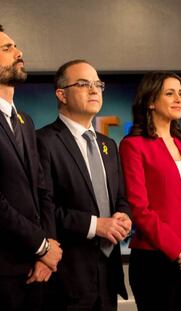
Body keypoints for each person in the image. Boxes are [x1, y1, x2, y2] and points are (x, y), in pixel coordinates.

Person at [36, 59, 132, 310]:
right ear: (61, 94)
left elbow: (121, 197)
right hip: (68, 278)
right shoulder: (44, 141)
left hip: (108, 276)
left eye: (98, 84)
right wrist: (94, 225)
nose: (94, 90)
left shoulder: (108, 145)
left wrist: (124, 215)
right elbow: (43, 210)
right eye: (83, 84)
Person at [119, 71, 181, 311]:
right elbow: (139, 208)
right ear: (150, 101)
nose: (179, 99)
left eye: (180, 93)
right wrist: (179, 251)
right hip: (154, 261)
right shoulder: (133, 146)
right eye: (169, 93)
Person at [0, 24, 63, 310]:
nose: (19, 52)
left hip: (39, 268)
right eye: (7, 48)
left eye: (15, 46)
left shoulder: (25, 121)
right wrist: (42, 246)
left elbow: (42, 190)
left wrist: (47, 246)